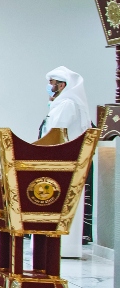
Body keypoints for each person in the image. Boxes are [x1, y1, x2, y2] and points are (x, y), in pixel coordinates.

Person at [40, 66, 91, 259]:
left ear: (62, 85)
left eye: (52, 83)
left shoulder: (68, 104)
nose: (49, 86)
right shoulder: (61, 103)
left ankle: (64, 247)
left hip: (63, 161)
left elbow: (56, 133)